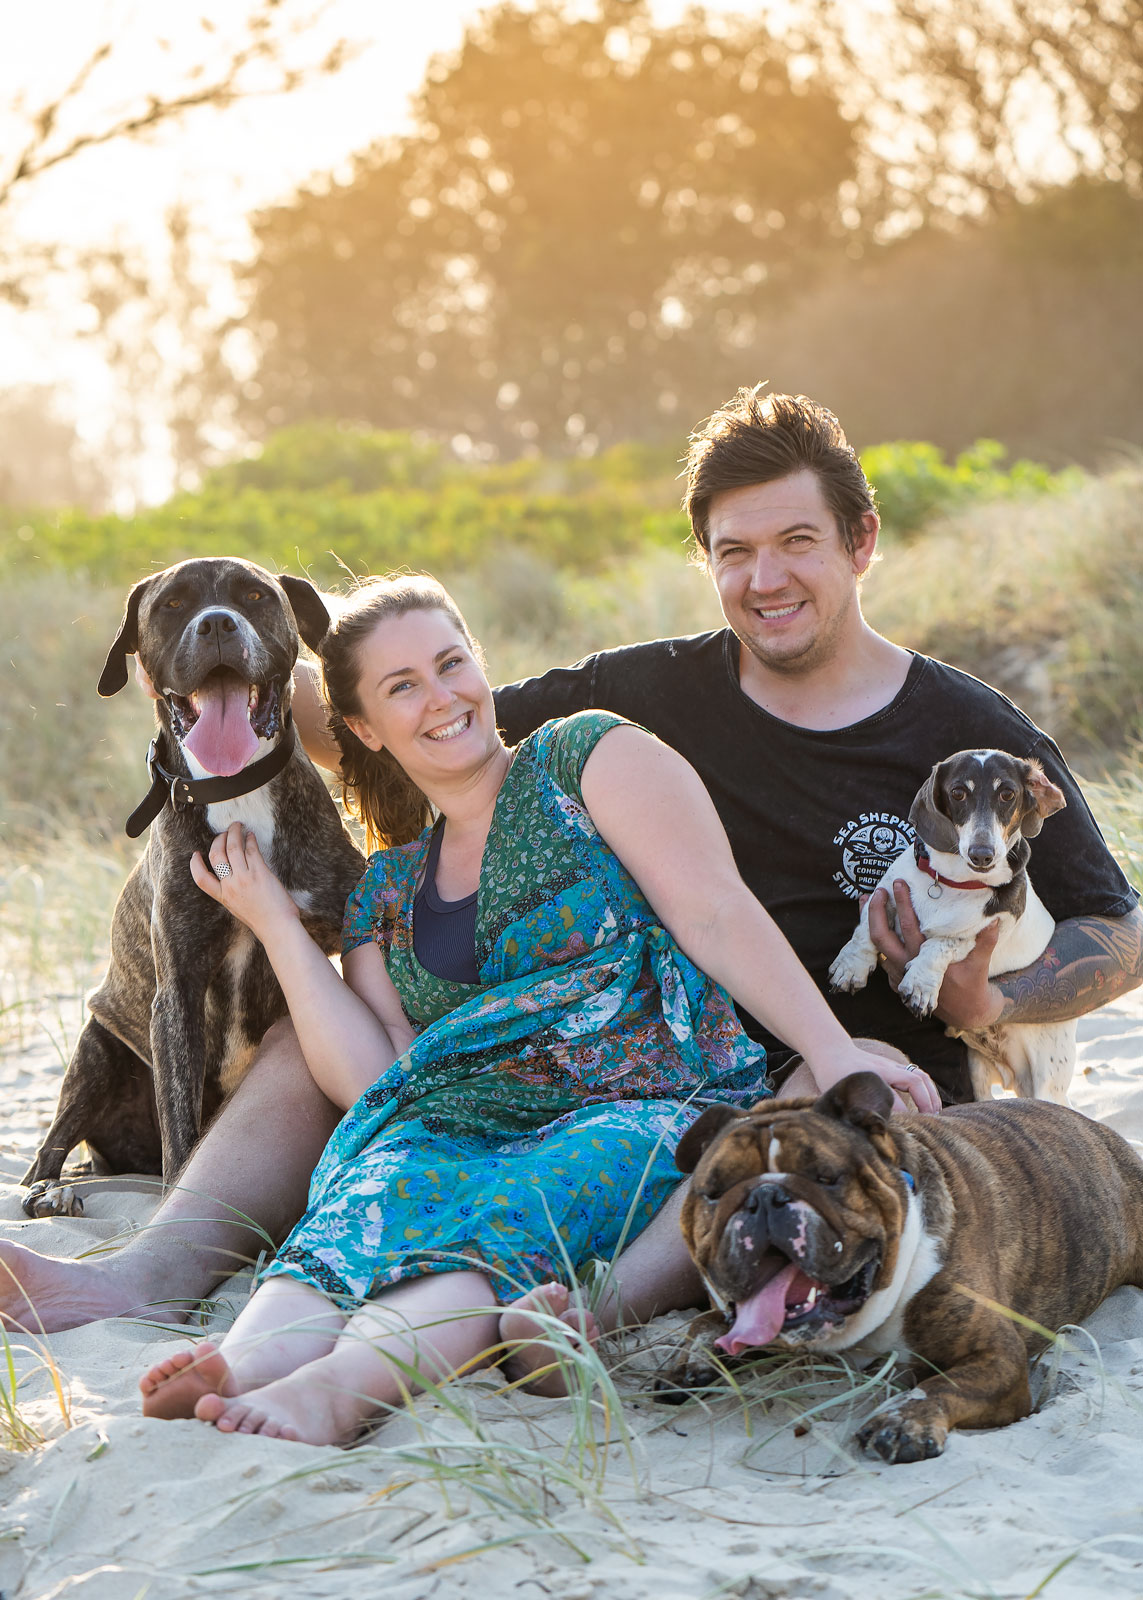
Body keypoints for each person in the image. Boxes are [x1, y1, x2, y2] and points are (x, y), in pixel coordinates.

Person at [2, 386, 1137, 1335]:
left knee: (810, 1112)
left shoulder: (964, 728)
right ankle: (146, 1273)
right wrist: (216, 665)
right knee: (315, 1031)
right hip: (632, 1041)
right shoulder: (653, 688)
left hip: (837, 1065)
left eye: (798, 542)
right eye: (733, 551)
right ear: (706, 562)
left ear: (861, 541)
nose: (766, 579)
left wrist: (1006, 990)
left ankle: (588, 1317)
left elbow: (1117, 929)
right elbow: (424, 713)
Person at [135, 575, 937, 1444]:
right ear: (362, 728)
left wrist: (835, 1051)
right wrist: (279, 927)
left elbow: (713, 910)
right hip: (456, 1117)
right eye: (403, 687)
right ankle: (250, 1358)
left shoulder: (586, 759)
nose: (442, 697)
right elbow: (378, 1078)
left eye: (451, 663)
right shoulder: (387, 893)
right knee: (374, 1185)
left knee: (513, 1210)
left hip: (633, 1100)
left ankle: (341, 1387)